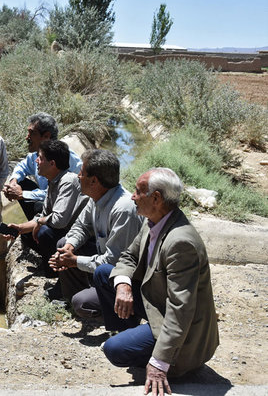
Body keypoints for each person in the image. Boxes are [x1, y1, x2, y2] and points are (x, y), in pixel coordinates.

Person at [93, 168, 219, 395]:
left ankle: (167, 360)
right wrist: (123, 285)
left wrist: (160, 363)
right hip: (157, 305)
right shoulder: (153, 220)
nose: (132, 196)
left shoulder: (181, 243)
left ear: (156, 198)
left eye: (138, 191)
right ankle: (131, 336)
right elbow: (129, 256)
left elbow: (181, 309)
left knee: (115, 351)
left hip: (183, 332)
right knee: (105, 274)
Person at [48, 149, 143, 318]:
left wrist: (74, 261)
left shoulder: (123, 209)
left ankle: (117, 311)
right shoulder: (96, 198)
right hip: (104, 263)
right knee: (63, 243)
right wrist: (69, 248)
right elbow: (81, 227)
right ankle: (77, 296)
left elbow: (113, 263)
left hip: (124, 279)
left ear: (94, 181)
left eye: (82, 173)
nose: (78, 176)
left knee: (82, 303)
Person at [6, 140, 88, 270]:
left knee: (44, 233)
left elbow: (59, 220)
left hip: (77, 238)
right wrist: (19, 228)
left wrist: (39, 222)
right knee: (27, 234)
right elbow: (43, 214)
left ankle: (53, 271)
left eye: (40, 158)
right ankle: (50, 260)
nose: (36, 161)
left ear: (52, 164)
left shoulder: (68, 181)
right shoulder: (53, 182)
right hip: (63, 231)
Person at [3, 112, 82, 220]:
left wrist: (23, 194)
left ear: (46, 136)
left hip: (66, 211)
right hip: (49, 200)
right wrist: (13, 183)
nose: (27, 138)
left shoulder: (67, 159)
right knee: (21, 182)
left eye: (32, 133)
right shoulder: (36, 155)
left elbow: (58, 194)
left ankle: (37, 231)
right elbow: (22, 166)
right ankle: (29, 231)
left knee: (38, 206)